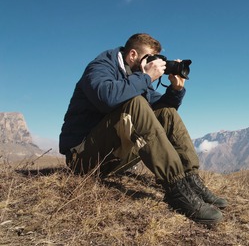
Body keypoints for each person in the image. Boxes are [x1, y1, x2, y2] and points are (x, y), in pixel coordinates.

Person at [59, 33, 227, 225]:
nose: (153, 64)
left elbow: (158, 110)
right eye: (149, 59)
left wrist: (175, 90)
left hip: (111, 156)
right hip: (82, 159)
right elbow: (107, 98)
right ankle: (175, 191)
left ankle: (190, 180)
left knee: (167, 113)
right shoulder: (100, 67)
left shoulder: (135, 77)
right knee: (136, 103)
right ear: (132, 55)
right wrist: (146, 76)